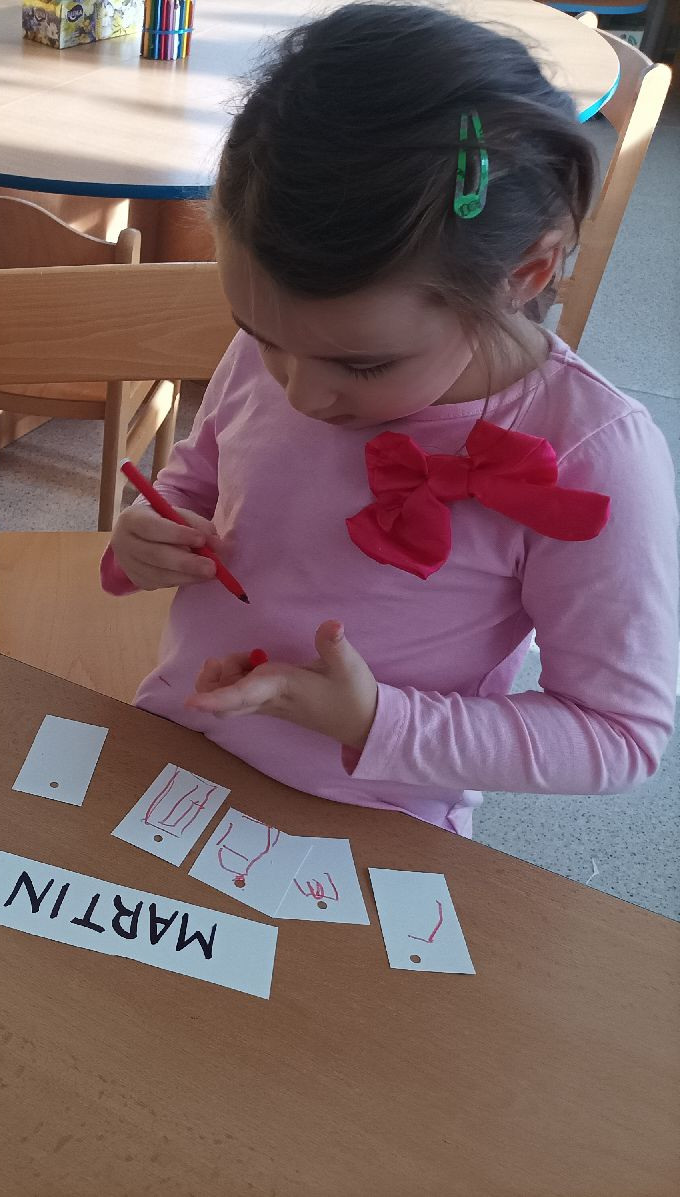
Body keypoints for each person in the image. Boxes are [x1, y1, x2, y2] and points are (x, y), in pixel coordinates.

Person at [102, 3, 677, 833]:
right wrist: (147, 533)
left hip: (377, 814)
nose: (300, 395)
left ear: (526, 273)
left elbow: (618, 735)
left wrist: (378, 722)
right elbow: (198, 481)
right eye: (262, 338)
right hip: (182, 744)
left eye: (363, 366)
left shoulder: (593, 453)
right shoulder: (298, 340)